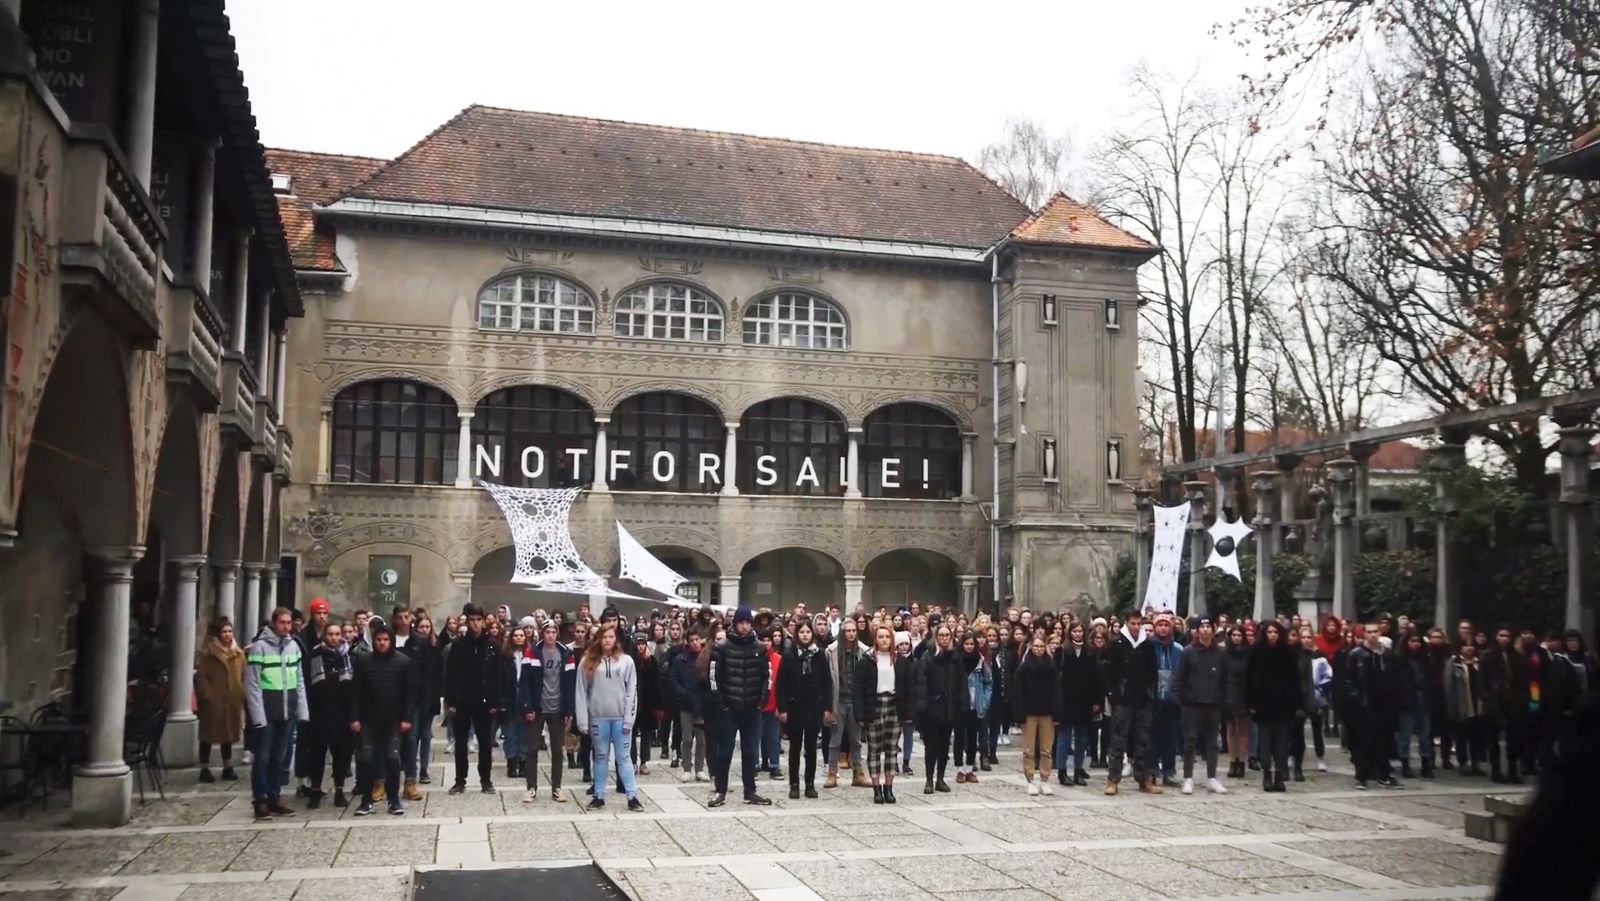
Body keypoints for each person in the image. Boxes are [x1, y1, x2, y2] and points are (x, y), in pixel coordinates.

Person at [243, 607, 309, 820]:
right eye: (282, 622)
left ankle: (275, 795)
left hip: (287, 710)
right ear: (273, 623)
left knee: (280, 757)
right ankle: (260, 798)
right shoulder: (259, 648)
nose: (286, 626)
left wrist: (302, 710)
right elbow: (252, 684)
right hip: (267, 709)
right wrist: (257, 715)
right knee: (263, 757)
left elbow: (299, 681)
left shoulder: (293, 647)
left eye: (289, 623)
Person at [575, 623, 644, 812]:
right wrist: (582, 720)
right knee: (600, 757)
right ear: (598, 639)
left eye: (611, 637)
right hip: (598, 718)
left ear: (616, 639)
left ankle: (632, 795)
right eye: (604, 637)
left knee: (624, 757)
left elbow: (632, 691)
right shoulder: (587, 661)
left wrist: (630, 717)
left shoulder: (626, 661)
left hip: (620, 717)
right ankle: (598, 795)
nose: (608, 640)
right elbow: (581, 691)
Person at [708, 605, 772, 807]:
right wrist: (722, 704)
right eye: (740, 622)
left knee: (751, 751)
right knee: (724, 751)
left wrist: (761, 702)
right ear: (735, 624)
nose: (744, 626)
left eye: (746, 622)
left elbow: (766, 677)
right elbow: (714, 678)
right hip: (730, 708)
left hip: (752, 708)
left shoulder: (760, 648)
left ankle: (750, 790)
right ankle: (720, 790)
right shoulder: (723, 647)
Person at [351, 622, 414, 816]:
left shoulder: (403, 662)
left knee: (392, 759)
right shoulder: (363, 661)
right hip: (368, 720)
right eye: (378, 639)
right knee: (366, 759)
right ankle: (366, 799)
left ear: (391, 641)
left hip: (393, 720)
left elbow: (410, 693)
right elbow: (355, 692)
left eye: (386, 639)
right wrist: (354, 717)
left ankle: (393, 799)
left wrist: (406, 717)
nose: (382, 643)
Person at [444, 603, 503, 794]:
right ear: (467, 621)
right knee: (461, 743)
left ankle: (486, 780)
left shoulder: (493, 645)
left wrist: (496, 702)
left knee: (485, 743)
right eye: (472, 620)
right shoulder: (459, 644)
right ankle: (460, 780)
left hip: (485, 702)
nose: (476, 624)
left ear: (484, 621)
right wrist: (451, 701)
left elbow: (498, 675)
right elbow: (451, 674)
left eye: (479, 620)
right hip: (462, 701)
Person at [516, 619, 575, 803]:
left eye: (553, 632)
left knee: (557, 749)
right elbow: (524, 682)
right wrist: (527, 706)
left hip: (557, 707)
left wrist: (568, 709)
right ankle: (531, 788)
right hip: (538, 707)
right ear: (542, 633)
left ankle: (556, 788)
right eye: (547, 632)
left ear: (557, 633)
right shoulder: (532, 652)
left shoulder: (566, 653)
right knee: (532, 748)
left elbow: (570, 684)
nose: (550, 635)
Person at [1100, 609, 1158, 795]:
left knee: (1143, 740)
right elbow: (1108, 672)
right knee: (1118, 740)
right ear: (1126, 623)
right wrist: (1113, 696)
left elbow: (1152, 673)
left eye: (1138, 623)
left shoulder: (1147, 644)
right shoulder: (1117, 643)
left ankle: (1143, 778)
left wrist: (1151, 695)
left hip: (1143, 700)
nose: (1135, 627)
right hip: (1123, 701)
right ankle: (1113, 779)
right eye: (1132, 623)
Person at [854, 624, 913, 804]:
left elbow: (909, 688)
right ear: (875, 639)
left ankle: (889, 787)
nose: (884, 640)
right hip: (875, 706)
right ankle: (876, 788)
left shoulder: (901, 662)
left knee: (892, 749)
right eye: (880, 637)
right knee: (874, 749)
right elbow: (859, 689)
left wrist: (909, 712)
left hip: (894, 706)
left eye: (887, 637)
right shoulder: (867, 661)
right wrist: (861, 715)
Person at [775, 619, 833, 799]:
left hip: (813, 706)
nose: (805, 635)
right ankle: (794, 784)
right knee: (795, 747)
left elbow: (826, 682)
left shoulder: (819, 654)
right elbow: (781, 684)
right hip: (794, 707)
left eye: (808, 632)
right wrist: (782, 708)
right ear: (797, 635)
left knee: (810, 748)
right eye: (802, 632)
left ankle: (809, 783)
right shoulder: (789, 654)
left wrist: (827, 707)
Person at [1170, 617, 1227, 795]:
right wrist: (1182, 699)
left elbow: (1225, 679)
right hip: (1192, 704)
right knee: (1190, 741)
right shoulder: (1188, 652)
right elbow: (1179, 678)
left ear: (1213, 629)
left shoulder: (1220, 653)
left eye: (1208, 627)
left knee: (1212, 743)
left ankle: (1212, 777)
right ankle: (1188, 777)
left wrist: (1223, 698)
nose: (1204, 630)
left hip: (1213, 703)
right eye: (1201, 627)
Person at [1344, 625, 1402, 789]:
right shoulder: (1356, 654)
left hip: (1385, 704)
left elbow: (1395, 677)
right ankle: (1362, 776)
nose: (1372, 635)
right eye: (1369, 632)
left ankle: (1385, 774)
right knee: (1364, 741)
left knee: (1385, 740)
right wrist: (1356, 698)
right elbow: (1349, 680)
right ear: (1364, 634)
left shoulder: (1388, 654)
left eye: (1375, 632)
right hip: (1365, 704)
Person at [304, 620, 354, 809]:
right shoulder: (315, 655)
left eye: (336, 634)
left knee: (341, 754)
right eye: (330, 634)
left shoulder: (347, 656)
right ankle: (315, 790)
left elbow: (352, 685)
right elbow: (310, 684)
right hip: (319, 712)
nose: (333, 638)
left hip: (341, 713)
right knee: (317, 754)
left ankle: (339, 790)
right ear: (324, 636)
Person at [912, 623, 966, 794]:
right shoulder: (927, 657)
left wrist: (962, 704)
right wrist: (922, 707)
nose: (944, 638)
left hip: (949, 708)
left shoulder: (956, 658)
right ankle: (929, 779)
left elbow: (961, 683)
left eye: (947, 635)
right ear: (936, 637)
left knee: (944, 746)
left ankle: (940, 779)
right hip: (932, 708)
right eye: (941, 635)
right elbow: (921, 683)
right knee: (932, 746)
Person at [1248, 621, 1301, 792]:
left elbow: (1295, 681)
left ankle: (1279, 774)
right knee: (1265, 742)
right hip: (1263, 704)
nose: (1272, 635)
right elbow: (1249, 679)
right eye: (1269, 632)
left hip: (1283, 705)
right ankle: (1266, 775)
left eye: (1275, 632)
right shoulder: (1256, 653)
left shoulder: (1287, 654)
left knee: (1281, 742)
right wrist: (1251, 703)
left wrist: (1296, 703)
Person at [390, 605, 436, 800]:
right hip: (390, 697)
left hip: (414, 700)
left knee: (411, 740)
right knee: (389, 742)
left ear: (411, 619)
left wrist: (426, 698)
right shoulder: (387, 639)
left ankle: (410, 781)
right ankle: (383, 782)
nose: (403, 620)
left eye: (406, 616)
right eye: (399, 617)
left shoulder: (420, 642)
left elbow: (428, 672)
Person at [195, 619, 245, 784]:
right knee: (208, 734)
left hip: (232, 699)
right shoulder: (208, 653)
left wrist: (241, 692)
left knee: (228, 734)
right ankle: (204, 767)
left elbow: (243, 674)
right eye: (224, 632)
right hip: (214, 700)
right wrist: (206, 695)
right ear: (218, 634)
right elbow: (201, 675)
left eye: (230, 631)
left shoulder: (237, 653)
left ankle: (227, 766)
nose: (227, 635)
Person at [1012, 633, 1060, 796]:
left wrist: (1057, 713)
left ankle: (1045, 779)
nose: (1039, 649)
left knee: (1046, 748)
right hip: (1029, 712)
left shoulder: (1051, 667)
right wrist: (1019, 715)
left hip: (1047, 712)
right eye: (1036, 646)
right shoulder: (1024, 667)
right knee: (1029, 749)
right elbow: (1018, 692)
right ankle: (1030, 779)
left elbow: (1056, 691)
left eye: (1041, 646)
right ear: (1031, 647)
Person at [825, 618, 869, 789]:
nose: (851, 634)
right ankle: (832, 772)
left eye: (853, 630)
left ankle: (858, 772)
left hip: (856, 700)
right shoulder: (832, 651)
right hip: (839, 699)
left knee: (856, 740)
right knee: (835, 740)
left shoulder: (864, 651)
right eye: (848, 631)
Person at [1056, 620, 1098, 786]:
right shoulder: (1063, 651)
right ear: (1069, 633)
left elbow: (1095, 677)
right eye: (1074, 631)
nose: (1078, 634)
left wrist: (1096, 700)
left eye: (1080, 631)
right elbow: (1057, 677)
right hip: (1066, 700)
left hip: (1084, 700)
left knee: (1082, 738)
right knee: (1064, 738)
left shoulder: (1090, 652)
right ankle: (1062, 770)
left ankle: (1078, 769)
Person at [1148, 614, 1183, 788]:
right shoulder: (1147, 648)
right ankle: (1152, 771)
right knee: (1153, 737)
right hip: (1153, 700)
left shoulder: (1178, 649)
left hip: (1172, 700)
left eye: (1166, 625)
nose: (1163, 628)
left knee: (1170, 738)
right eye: (1160, 625)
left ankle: (1169, 772)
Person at [1444, 641, 1488, 776]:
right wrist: (1451, 706)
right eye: (1465, 645)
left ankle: (1476, 763)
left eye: (1471, 645)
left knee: (1477, 736)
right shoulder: (1454, 663)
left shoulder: (1479, 663)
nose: (1469, 648)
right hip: (1462, 705)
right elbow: (1448, 685)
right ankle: (1463, 762)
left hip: (1479, 705)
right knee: (1461, 736)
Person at [670, 630, 709, 782]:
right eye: (691, 640)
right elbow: (673, 678)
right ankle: (687, 767)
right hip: (686, 704)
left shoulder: (705, 657)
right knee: (686, 738)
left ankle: (699, 768)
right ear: (687, 642)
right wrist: (682, 692)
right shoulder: (681, 660)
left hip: (702, 704)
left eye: (697, 639)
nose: (694, 642)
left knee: (702, 740)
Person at [1395, 632, 1434, 779]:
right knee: (1405, 735)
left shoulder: (1426, 660)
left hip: (1423, 700)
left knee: (1425, 735)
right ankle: (1405, 764)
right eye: (1412, 641)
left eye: (1418, 641)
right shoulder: (1400, 660)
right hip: (1407, 701)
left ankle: (1426, 763)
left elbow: (1430, 679)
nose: (1415, 644)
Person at [956, 631, 992, 784]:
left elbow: (988, 682)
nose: (969, 647)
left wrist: (984, 701)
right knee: (959, 738)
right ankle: (960, 769)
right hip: (959, 704)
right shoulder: (956, 660)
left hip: (975, 705)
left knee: (972, 738)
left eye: (972, 644)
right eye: (966, 644)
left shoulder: (981, 660)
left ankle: (969, 768)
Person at [631, 632, 663, 776]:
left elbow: (657, 684)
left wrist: (658, 705)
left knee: (646, 734)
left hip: (648, 703)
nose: (641, 647)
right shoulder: (630, 660)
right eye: (638, 644)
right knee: (631, 733)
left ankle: (644, 762)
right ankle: (632, 761)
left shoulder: (652, 661)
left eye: (643, 643)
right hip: (633, 702)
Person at [760, 626, 784, 779]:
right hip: (757, 704)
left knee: (773, 737)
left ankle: (774, 765)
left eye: (769, 640)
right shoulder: (754, 657)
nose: (766, 643)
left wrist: (780, 706)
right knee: (757, 737)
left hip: (773, 704)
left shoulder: (778, 659)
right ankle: (757, 763)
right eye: (763, 640)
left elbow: (782, 683)